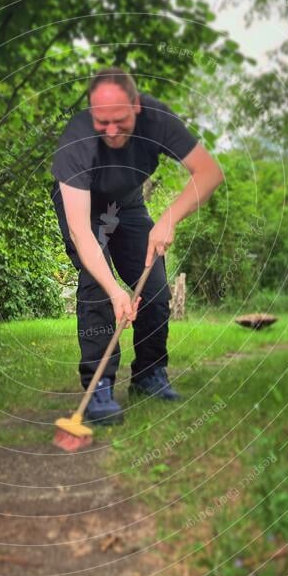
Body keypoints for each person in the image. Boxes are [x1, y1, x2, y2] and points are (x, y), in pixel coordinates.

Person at [50, 67, 224, 424]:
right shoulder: (76, 142)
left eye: (120, 120)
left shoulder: (159, 121)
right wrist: (116, 291)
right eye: (102, 121)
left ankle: (149, 374)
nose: (111, 131)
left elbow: (209, 172)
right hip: (84, 206)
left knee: (156, 287)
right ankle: (99, 387)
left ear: (137, 107)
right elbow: (82, 232)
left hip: (128, 204)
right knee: (97, 286)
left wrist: (169, 217)